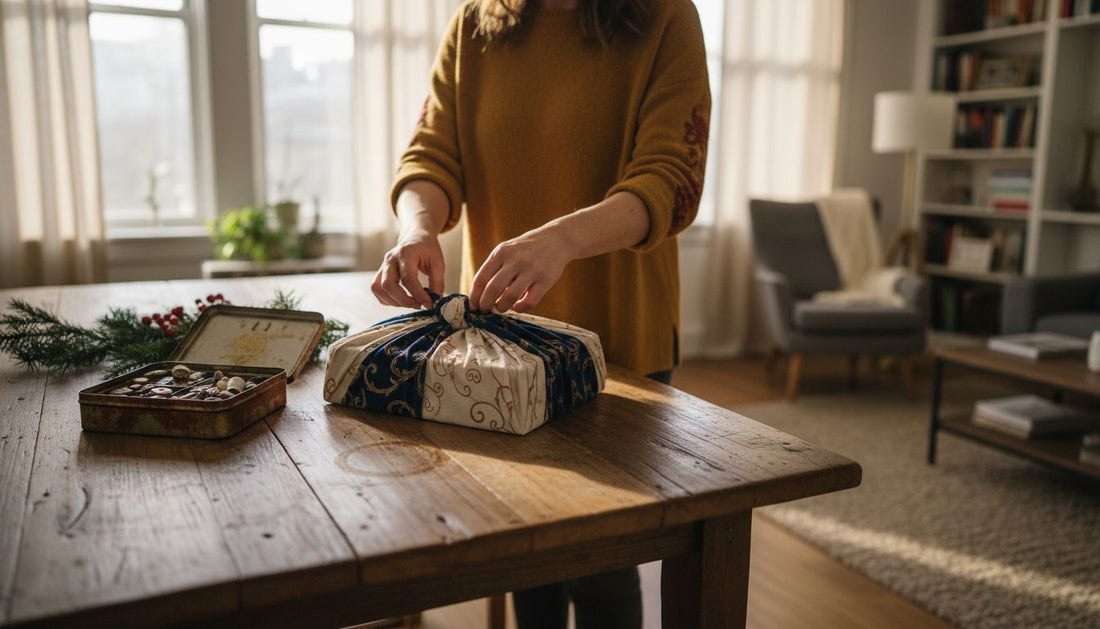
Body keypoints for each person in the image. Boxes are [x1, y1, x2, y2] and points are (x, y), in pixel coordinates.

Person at [371, 0, 710, 626]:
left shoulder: (666, 17)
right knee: (528, 545)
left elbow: (671, 180)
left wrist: (561, 240)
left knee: (601, 566)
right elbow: (431, 156)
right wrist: (417, 228)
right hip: (504, 348)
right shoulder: (474, 26)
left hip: (618, 346)